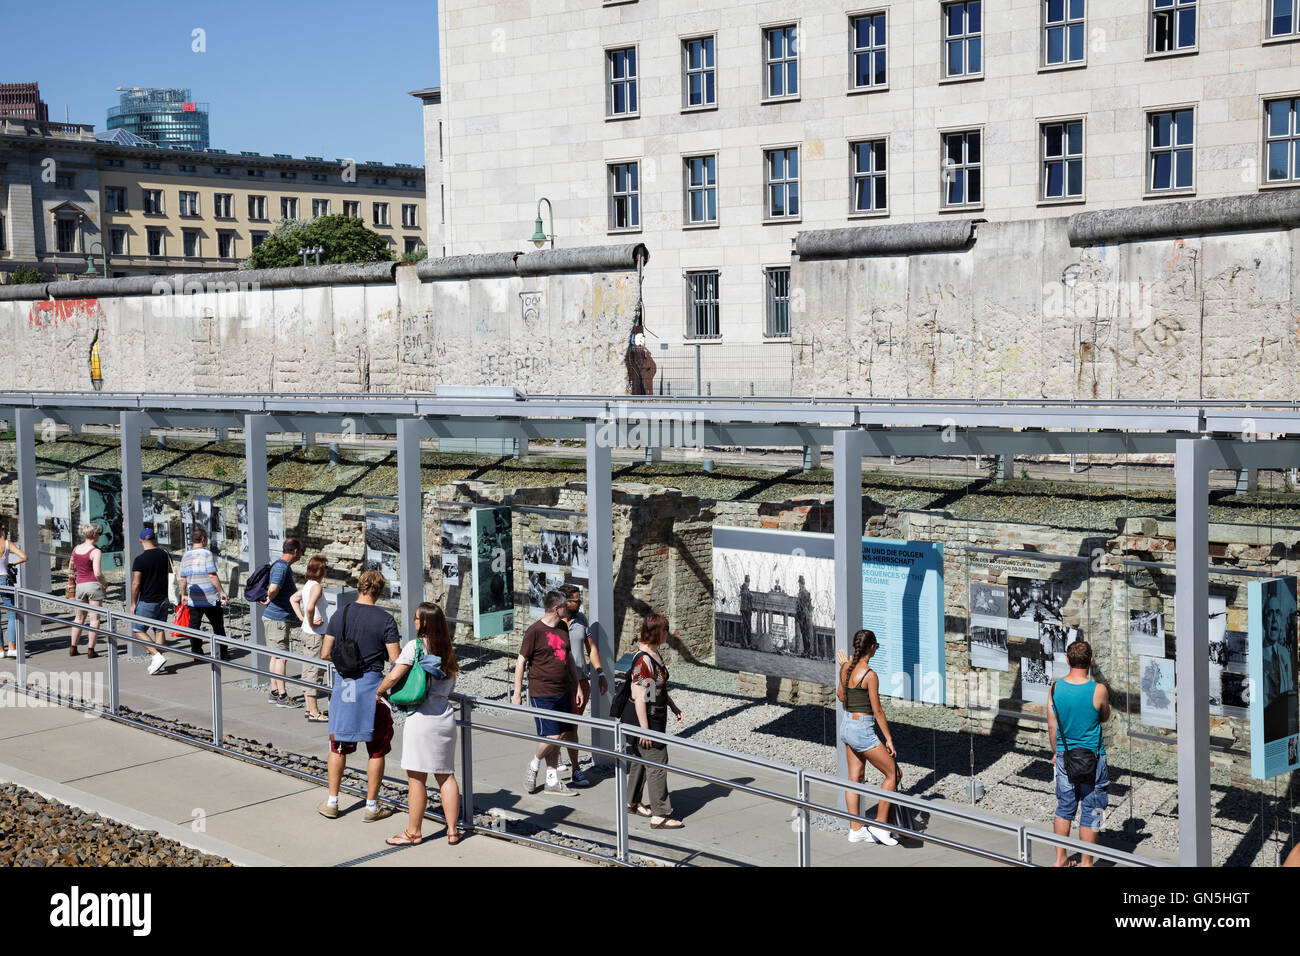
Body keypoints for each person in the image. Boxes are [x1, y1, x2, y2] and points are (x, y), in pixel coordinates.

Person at [317, 570, 401, 822]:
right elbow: (395, 660)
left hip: (344, 688)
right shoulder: (386, 620)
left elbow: (325, 653)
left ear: (358, 587)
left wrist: (347, 662)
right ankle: (371, 806)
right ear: (380, 591)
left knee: (338, 746)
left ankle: (332, 802)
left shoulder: (339, 614)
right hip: (373, 689)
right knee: (376, 750)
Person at [377, 602, 461, 846]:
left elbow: (395, 674)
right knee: (446, 776)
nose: (413, 622)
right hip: (445, 716)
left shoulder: (415, 647)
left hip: (422, 719)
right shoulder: (447, 649)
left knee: (416, 778)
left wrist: (380, 691)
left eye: (416, 618)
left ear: (424, 623)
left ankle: (414, 832)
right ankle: (453, 831)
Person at [512, 589, 584, 797]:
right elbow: (521, 661)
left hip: (563, 690)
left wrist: (577, 685)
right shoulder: (534, 631)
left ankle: (552, 779)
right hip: (542, 692)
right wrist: (517, 692)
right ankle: (534, 765)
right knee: (552, 734)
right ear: (556, 608)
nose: (568, 608)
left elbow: (568, 658)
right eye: (565, 606)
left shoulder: (562, 627)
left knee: (561, 734)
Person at [1046, 639, 1111, 867]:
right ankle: (1086, 862)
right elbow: (1104, 717)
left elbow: (1052, 726)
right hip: (1093, 756)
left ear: (1067, 660)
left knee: (1065, 806)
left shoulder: (1055, 688)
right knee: (1092, 808)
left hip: (1065, 755)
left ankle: (1060, 859)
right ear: (1091, 662)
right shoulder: (1098, 690)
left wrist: (1057, 752)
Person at [836, 630, 899, 846]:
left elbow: (841, 696)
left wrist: (843, 668)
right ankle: (881, 826)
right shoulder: (870, 675)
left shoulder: (846, 668)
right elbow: (878, 711)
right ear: (871, 648)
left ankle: (855, 829)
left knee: (855, 777)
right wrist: (888, 739)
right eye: (877, 647)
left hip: (846, 726)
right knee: (893, 773)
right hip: (862, 729)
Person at [623, 612, 684, 829]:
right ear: (658, 632)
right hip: (646, 719)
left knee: (640, 758)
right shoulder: (644, 660)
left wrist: (672, 705)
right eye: (665, 630)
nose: (668, 634)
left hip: (655, 714)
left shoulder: (654, 654)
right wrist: (645, 730)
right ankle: (660, 814)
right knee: (658, 760)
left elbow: (656, 688)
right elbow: (640, 696)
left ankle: (632, 802)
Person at [557, 583, 606, 787]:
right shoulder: (552, 623)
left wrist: (600, 672)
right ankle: (545, 758)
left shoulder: (581, 619)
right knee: (563, 727)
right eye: (577, 600)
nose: (580, 603)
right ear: (565, 602)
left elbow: (591, 648)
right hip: (559, 683)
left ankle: (575, 768)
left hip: (581, 682)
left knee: (572, 726)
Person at [261, 538, 304, 707]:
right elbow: (273, 588)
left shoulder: (280, 565)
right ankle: (283, 696)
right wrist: (268, 599)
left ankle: (274, 691)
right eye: (301, 550)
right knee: (282, 658)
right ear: (295, 551)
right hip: (277, 620)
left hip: (275, 619)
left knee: (275, 656)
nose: (301, 554)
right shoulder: (282, 567)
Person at [178, 528, 229, 661]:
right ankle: (222, 653)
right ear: (203, 539)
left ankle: (197, 653)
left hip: (194, 598)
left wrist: (183, 594)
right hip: (211, 597)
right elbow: (212, 575)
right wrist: (222, 592)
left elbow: (182, 579)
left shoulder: (185, 556)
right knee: (218, 626)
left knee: (194, 626)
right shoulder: (207, 554)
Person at [291, 554, 331, 722]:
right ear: (321, 570)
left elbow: (293, 599)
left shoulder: (308, 585)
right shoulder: (317, 587)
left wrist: (303, 620)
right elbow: (309, 607)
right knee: (315, 672)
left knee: (307, 670)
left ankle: (309, 709)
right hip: (315, 635)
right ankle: (314, 712)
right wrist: (311, 622)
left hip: (307, 633)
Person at [130, 528, 172, 675]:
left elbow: (136, 584)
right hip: (163, 598)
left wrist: (134, 603)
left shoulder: (140, 560)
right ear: (154, 539)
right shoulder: (164, 554)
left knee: (138, 629)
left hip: (148, 600)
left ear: (140, 540)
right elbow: (169, 572)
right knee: (159, 629)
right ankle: (157, 660)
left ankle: (156, 656)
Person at [67, 525, 105, 658]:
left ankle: (73, 647)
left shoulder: (76, 549)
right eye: (99, 533)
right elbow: (97, 573)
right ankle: (91, 649)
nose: (100, 535)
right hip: (93, 585)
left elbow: (73, 567)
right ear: (94, 535)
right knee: (94, 618)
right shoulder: (95, 551)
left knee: (79, 617)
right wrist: (105, 583)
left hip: (80, 585)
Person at [0, 523, 27, 658]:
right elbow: (24, 557)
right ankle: (11, 647)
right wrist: (12, 564)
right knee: (11, 614)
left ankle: (0, 650)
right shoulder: (6, 544)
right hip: (4, 580)